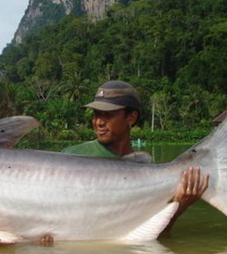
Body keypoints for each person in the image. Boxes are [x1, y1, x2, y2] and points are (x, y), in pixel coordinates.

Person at [62, 80, 209, 234]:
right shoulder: (71, 157)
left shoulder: (148, 174)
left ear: (131, 117)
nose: (98, 122)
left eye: (108, 115)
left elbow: (154, 237)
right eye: (96, 114)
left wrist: (179, 206)